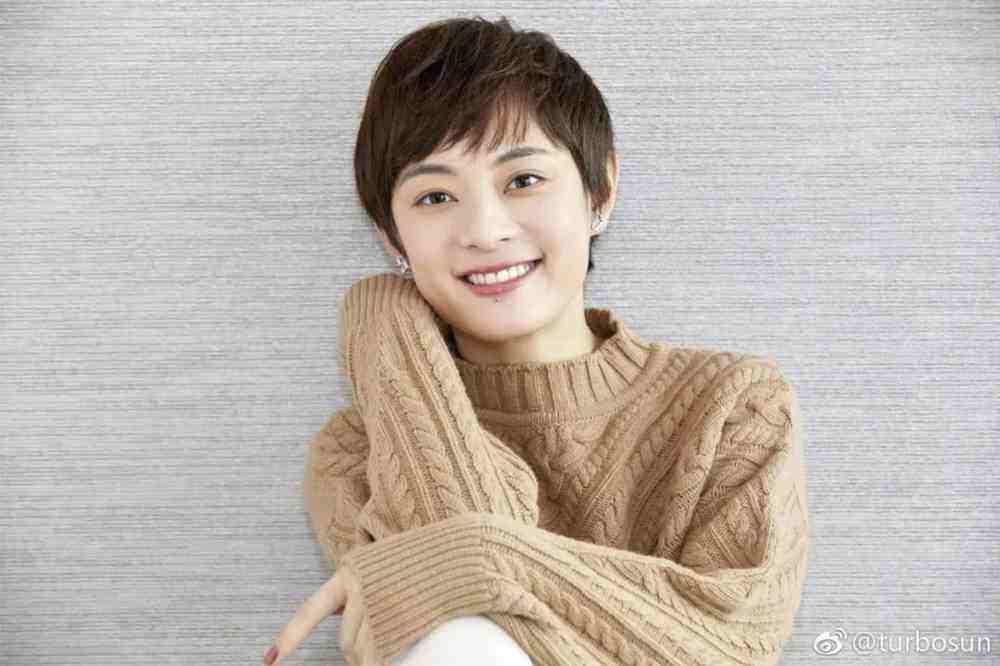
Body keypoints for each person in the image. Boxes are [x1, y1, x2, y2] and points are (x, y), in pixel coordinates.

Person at [268, 14, 810, 666]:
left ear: (600, 190)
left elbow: (732, 645)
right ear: (390, 236)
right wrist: (383, 326)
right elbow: (461, 630)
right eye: (435, 197)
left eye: (522, 180)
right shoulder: (358, 449)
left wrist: (476, 553)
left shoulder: (734, 404)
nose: (484, 230)